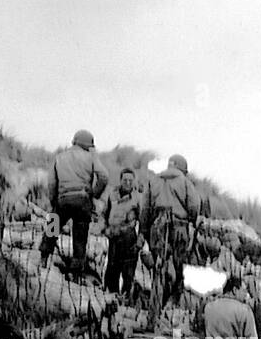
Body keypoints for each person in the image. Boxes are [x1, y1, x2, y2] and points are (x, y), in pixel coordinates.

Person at [41, 129, 108, 275]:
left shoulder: (60, 157)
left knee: (52, 228)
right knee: (80, 237)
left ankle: (44, 257)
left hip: (63, 199)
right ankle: (76, 272)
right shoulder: (91, 157)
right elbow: (104, 177)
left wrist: (54, 202)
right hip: (83, 201)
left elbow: (52, 183)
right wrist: (94, 194)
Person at [144, 153, 205, 303]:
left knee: (159, 264)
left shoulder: (154, 181)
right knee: (179, 265)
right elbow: (194, 205)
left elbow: (145, 209)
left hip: (158, 226)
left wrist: (145, 230)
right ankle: (175, 301)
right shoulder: (185, 182)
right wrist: (192, 219)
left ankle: (157, 299)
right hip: (179, 227)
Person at [100, 167, 142, 296]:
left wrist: (140, 240)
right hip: (114, 237)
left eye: (130, 180)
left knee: (128, 272)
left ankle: (126, 298)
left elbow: (143, 222)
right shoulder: (112, 194)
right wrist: (104, 229)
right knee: (112, 268)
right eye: (125, 180)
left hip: (129, 238)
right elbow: (104, 214)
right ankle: (110, 297)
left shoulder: (138, 198)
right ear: (120, 180)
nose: (128, 182)